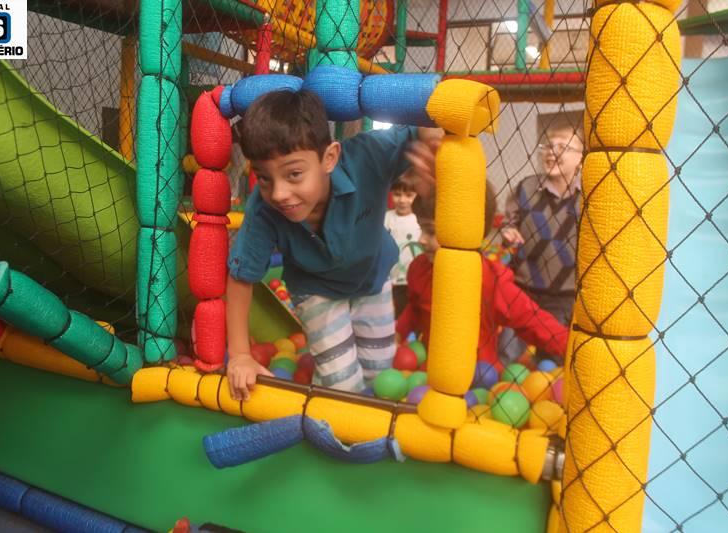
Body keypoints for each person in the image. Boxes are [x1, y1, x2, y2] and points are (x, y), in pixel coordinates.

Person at [225, 89, 439, 400]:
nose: (279, 193)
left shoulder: (369, 157)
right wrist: (241, 355)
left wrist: (432, 137)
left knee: (380, 374)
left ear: (329, 158)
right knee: (341, 384)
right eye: (264, 178)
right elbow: (241, 277)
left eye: (294, 174)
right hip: (316, 288)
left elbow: (424, 120)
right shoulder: (263, 208)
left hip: (372, 276)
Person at [395, 183, 569, 370]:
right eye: (421, 229)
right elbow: (415, 308)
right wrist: (397, 335)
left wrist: (573, 349)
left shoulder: (489, 280)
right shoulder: (420, 269)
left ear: (466, 233)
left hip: (479, 377)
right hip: (429, 373)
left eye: (431, 232)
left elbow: (532, 320)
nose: (421, 239)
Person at [498, 124, 583, 363]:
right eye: (547, 146)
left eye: (563, 147)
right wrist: (508, 231)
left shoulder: (589, 195)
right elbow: (508, 222)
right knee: (506, 357)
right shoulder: (525, 187)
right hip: (522, 290)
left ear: (581, 158)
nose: (552, 152)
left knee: (553, 361)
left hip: (564, 296)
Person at [384, 176, 421, 317]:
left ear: (417, 196)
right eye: (397, 194)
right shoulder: (386, 218)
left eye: (409, 195)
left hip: (412, 279)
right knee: (393, 315)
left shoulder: (418, 220)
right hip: (391, 279)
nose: (402, 200)